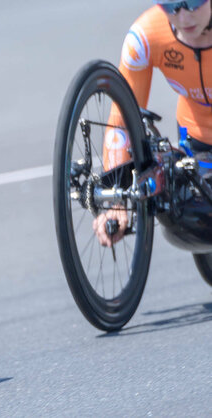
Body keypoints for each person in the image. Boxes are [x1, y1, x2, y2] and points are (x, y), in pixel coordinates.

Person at [95, 0, 212, 247]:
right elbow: (122, 120)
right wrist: (117, 199)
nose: (183, 16)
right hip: (196, 141)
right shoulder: (147, 36)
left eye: (192, 2)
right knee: (185, 220)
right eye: (170, 5)